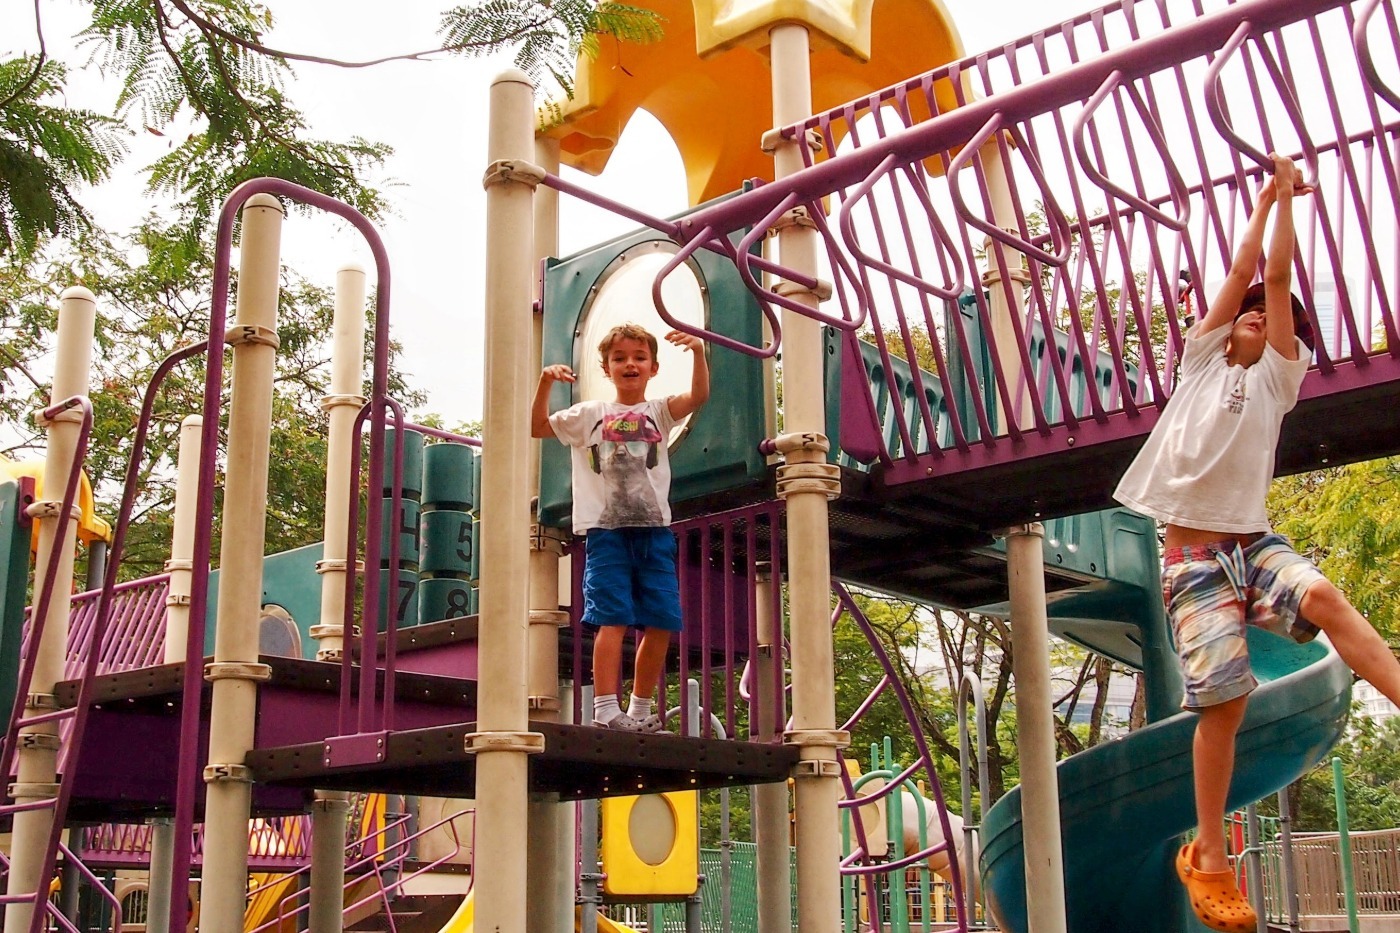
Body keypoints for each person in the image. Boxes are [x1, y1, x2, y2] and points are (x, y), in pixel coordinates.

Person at [1115, 154, 1400, 933]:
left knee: (1325, 596)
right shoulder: (1200, 361)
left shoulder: (1278, 377)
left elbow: (1275, 277)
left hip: (1254, 544)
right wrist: (1268, 195)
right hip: (1194, 561)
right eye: (1247, 313)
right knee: (1227, 698)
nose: (1258, 315)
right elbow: (1247, 270)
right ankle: (1208, 852)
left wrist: (1288, 210)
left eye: (1272, 320)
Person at [532, 323, 710, 732]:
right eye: (619, 358)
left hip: (653, 531)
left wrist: (699, 352)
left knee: (663, 620)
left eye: (639, 357)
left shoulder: (658, 412)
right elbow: (538, 427)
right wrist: (545, 383)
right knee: (612, 616)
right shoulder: (590, 415)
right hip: (606, 530)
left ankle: (640, 710)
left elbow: (698, 396)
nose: (630, 364)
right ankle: (605, 709)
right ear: (606, 368)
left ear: (653, 368)